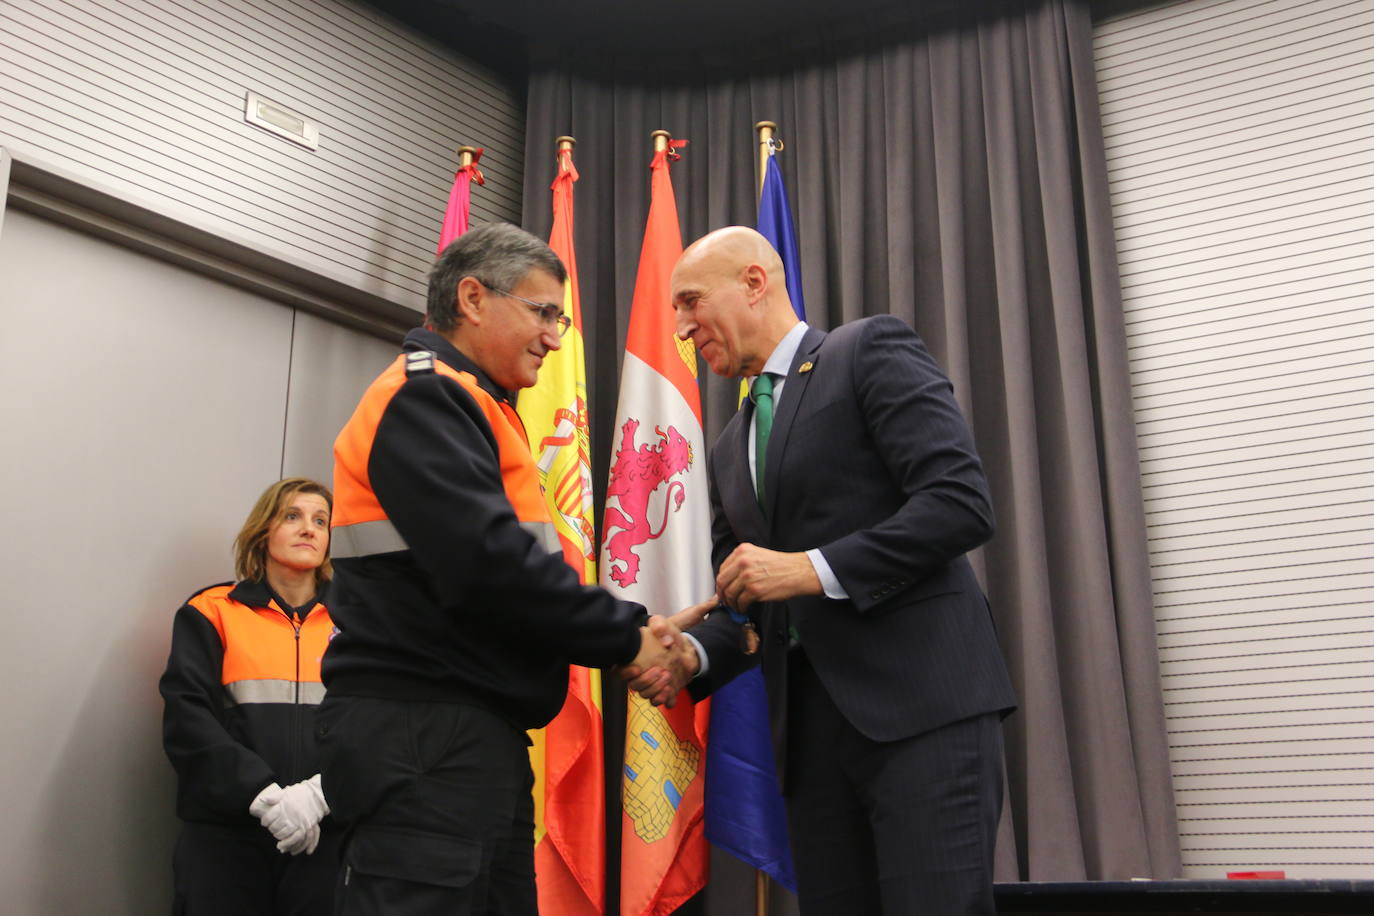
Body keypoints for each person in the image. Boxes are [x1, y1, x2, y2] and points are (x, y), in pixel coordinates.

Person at [317, 221, 702, 915]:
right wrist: (631, 637)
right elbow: (493, 568)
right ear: (471, 297)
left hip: (464, 737)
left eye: (560, 317)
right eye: (542, 311)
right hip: (424, 735)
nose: (555, 336)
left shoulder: (480, 406)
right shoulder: (425, 397)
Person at [637, 226, 1018, 914]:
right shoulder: (726, 452)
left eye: (691, 301)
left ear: (754, 283)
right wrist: (692, 654)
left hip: (922, 718)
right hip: (812, 751)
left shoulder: (866, 350)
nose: (683, 327)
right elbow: (754, 602)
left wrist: (811, 569)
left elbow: (960, 504)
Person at [159, 477, 340, 915]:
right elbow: (188, 719)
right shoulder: (211, 611)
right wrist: (263, 796)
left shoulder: (360, 625)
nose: (309, 528)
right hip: (226, 842)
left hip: (325, 837)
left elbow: (376, 726)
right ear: (264, 531)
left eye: (321, 520)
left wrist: (319, 797)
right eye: (292, 516)